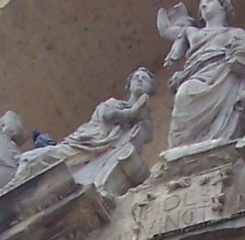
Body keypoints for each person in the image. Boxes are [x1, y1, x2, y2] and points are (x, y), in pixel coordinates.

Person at [158, 0, 245, 148]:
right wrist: (159, 7)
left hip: (224, 73)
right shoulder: (192, 32)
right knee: (184, 94)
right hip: (197, 72)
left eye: (209, 1)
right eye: (202, 5)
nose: (203, 6)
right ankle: (182, 146)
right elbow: (165, 31)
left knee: (225, 112)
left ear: (223, 8)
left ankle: (218, 140)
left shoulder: (236, 33)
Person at [10, 67, 157, 185]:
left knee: (42, 161)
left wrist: (140, 113)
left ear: (151, 89)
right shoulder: (113, 103)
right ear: (129, 85)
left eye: (145, 79)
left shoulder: (143, 122)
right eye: (136, 77)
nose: (139, 80)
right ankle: (10, 188)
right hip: (85, 142)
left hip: (97, 151)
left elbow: (146, 133)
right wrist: (131, 112)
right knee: (34, 158)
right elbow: (109, 115)